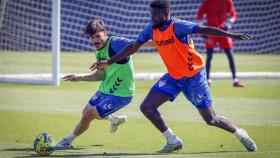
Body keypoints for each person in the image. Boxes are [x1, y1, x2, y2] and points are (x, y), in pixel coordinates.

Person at [92, 0, 257, 153]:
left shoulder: (178, 26)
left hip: (194, 77)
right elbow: (134, 46)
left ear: (166, 13)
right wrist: (110, 61)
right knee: (147, 107)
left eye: (155, 14)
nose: (152, 17)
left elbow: (203, 29)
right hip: (173, 77)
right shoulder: (150, 28)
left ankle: (239, 133)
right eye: (150, 14)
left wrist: (232, 36)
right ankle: (172, 140)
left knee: (211, 119)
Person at [56, 19, 135, 148]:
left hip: (121, 93)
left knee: (89, 114)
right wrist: (79, 77)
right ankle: (113, 119)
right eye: (92, 38)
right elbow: (101, 75)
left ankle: (66, 141)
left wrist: (158, 42)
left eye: (98, 36)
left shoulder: (115, 43)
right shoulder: (98, 50)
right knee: (86, 112)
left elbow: (136, 44)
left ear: (105, 33)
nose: (95, 40)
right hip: (104, 90)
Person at [197, 0, 245, 87]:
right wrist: (202, 30)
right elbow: (199, 15)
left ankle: (235, 80)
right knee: (209, 56)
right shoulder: (208, 1)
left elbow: (233, 14)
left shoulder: (227, 1)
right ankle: (207, 80)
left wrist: (229, 24)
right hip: (211, 31)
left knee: (230, 55)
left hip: (223, 31)